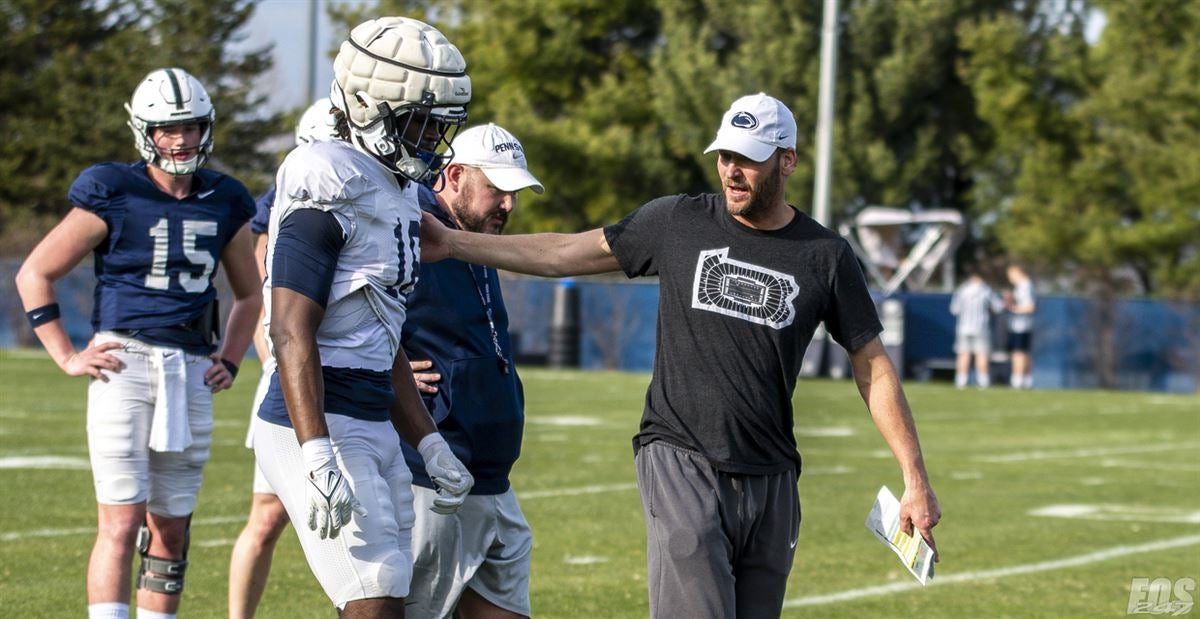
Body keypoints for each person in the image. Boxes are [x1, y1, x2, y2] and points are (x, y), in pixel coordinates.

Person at [421, 93, 942, 618]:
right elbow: (565, 252)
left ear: (787, 160)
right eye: (725, 156)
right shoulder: (677, 221)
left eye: (748, 159)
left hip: (773, 477)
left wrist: (915, 481)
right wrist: (453, 244)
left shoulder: (826, 255)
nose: (732, 171)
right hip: (681, 459)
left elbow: (872, 366)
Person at [14, 67, 261, 619]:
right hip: (122, 364)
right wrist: (67, 354)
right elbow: (35, 273)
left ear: (206, 128)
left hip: (192, 367)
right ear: (144, 131)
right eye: (167, 129)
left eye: (190, 127)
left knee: (171, 527)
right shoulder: (112, 189)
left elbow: (250, 295)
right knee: (122, 521)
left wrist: (231, 359)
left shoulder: (225, 197)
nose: (180, 140)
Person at [251, 17, 475, 616]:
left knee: (391, 593)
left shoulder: (396, 190)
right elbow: (289, 329)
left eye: (439, 125)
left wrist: (427, 441)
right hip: (318, 417)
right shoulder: (328, 177)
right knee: (373, 597)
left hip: (373, 414)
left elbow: (382, 333)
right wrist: (316, 451)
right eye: (419, 123)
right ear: (368, 107)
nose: (431, 140)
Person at [402, 123, 544, 619]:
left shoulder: (473, 231)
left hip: (491, 474)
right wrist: (388, 371)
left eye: (514, 193)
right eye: (497, 189)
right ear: (455, 174)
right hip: (432, 472)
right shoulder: (406, 224)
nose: (508, 205)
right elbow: (339, 310)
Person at [227, 97, 339, 619]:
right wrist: (274, 361)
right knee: (268, 517)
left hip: (359, 375)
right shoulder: (288, 201)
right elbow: (262, 291)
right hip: (296, 374)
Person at [949, 272, 1003, 388]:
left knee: (963, 354)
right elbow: (998, 307)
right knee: (981, 354)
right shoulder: (986, 290)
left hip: (963, 328)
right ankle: (983, 382)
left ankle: (961, 381)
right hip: (981, 327)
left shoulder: (962, 290)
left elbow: (954, 309)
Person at [1005, 264, 1036, 389]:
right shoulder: (1023, 286)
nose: (1009, 278)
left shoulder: (1025, 286)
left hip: (1021, 325)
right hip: (1023, 325)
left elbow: (1030, 307)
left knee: (1018, 353)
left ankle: (1017, 380)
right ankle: (1026, 380)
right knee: (1024, 353)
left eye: (1011, 274)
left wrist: (1013, 308)